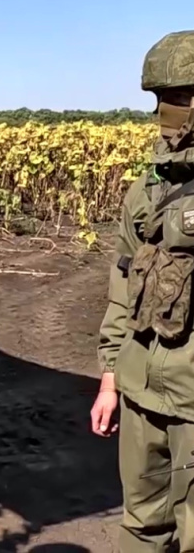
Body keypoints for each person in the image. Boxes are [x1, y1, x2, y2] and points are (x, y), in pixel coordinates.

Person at [93, 30, 194, 552]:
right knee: (141, 526)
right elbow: (122, 286)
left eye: (176, 97)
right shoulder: (150, 188)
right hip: (140, 393)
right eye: (159, 98)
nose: (163, 113)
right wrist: (111, 377)